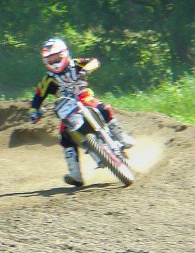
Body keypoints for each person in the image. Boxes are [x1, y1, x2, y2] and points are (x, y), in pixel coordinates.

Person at [28, 37, 134, 187]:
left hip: (84, 98)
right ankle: (75, 173)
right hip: (67, 109)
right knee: (65, 137)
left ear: (64, 54)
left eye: (57, 57)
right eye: (50, 60)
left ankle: (121, 137)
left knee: (104, 109)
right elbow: (38, 96)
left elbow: (95, 61)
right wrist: (34, 111)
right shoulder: (48, 79)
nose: (54, 62)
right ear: (45, 62)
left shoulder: (75, 64)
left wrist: (86, 70)